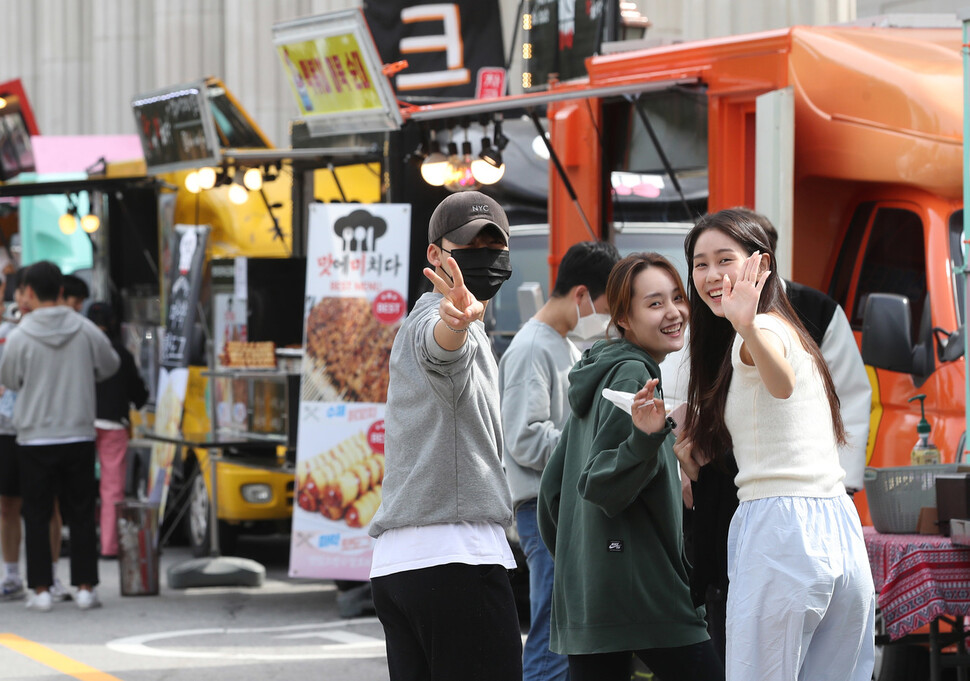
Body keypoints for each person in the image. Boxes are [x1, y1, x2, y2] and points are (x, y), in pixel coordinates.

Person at [682, 209, 874, 680]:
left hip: (780, 531)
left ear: (759, 266)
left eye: (724, 259)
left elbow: (780, 383)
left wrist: (746, 327)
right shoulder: (790, 327)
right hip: (837, 528)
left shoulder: (759, 330)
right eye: (700, 263)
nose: (710, 275)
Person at [537, 253, 723, 681]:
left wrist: (577, 557)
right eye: (655, 304)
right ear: (624, 316)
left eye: (678, 297)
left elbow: (553, 490)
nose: (674, 312)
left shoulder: (600, 370)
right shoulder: (632, 374)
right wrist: (645, 439)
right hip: (641, 589)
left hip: (592, 590)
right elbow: (601, 483)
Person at [368, 191, 522, 681]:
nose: (484, 257)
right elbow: (441, 351)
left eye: (494, 247)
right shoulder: (437, 318)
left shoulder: (446, 319)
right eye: (468, 246)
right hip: (456, 560)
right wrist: (453, 325)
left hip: (403, 565)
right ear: (436, 254)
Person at [498, 239, 619, 681]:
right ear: (582, 295)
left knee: (562, 632)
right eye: (609, 304)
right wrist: (590, 444)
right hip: (543, 510)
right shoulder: (533, 346)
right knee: (553, 635)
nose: (611, 318)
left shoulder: (562, 343)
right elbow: (524, 439)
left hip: (559, 507)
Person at [0, 261, 120, 612]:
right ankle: (85, 587)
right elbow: (110, 364)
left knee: (35, 513)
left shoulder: (20, 335)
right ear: (62, 292)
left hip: (34, 436)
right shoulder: (84, 329)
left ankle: (40, 589)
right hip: (78, 431)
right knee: (80, 511)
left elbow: (10, 378)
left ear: (32, 292)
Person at [0, 270, 71, 603]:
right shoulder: (7, 330)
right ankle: (12, 574)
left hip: (42, 426)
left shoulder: (57, 326)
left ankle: (51, 576)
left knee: (48, 504)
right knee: (7, 504)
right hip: (6, 427)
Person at [86, 303, 148, 559]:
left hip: (82, 424)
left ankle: (82, 540)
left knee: (80, 486)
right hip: (113, 423)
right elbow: (138, 394)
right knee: (112, 488)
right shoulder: (121, 352)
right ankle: (110, 545)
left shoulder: (82, 351)